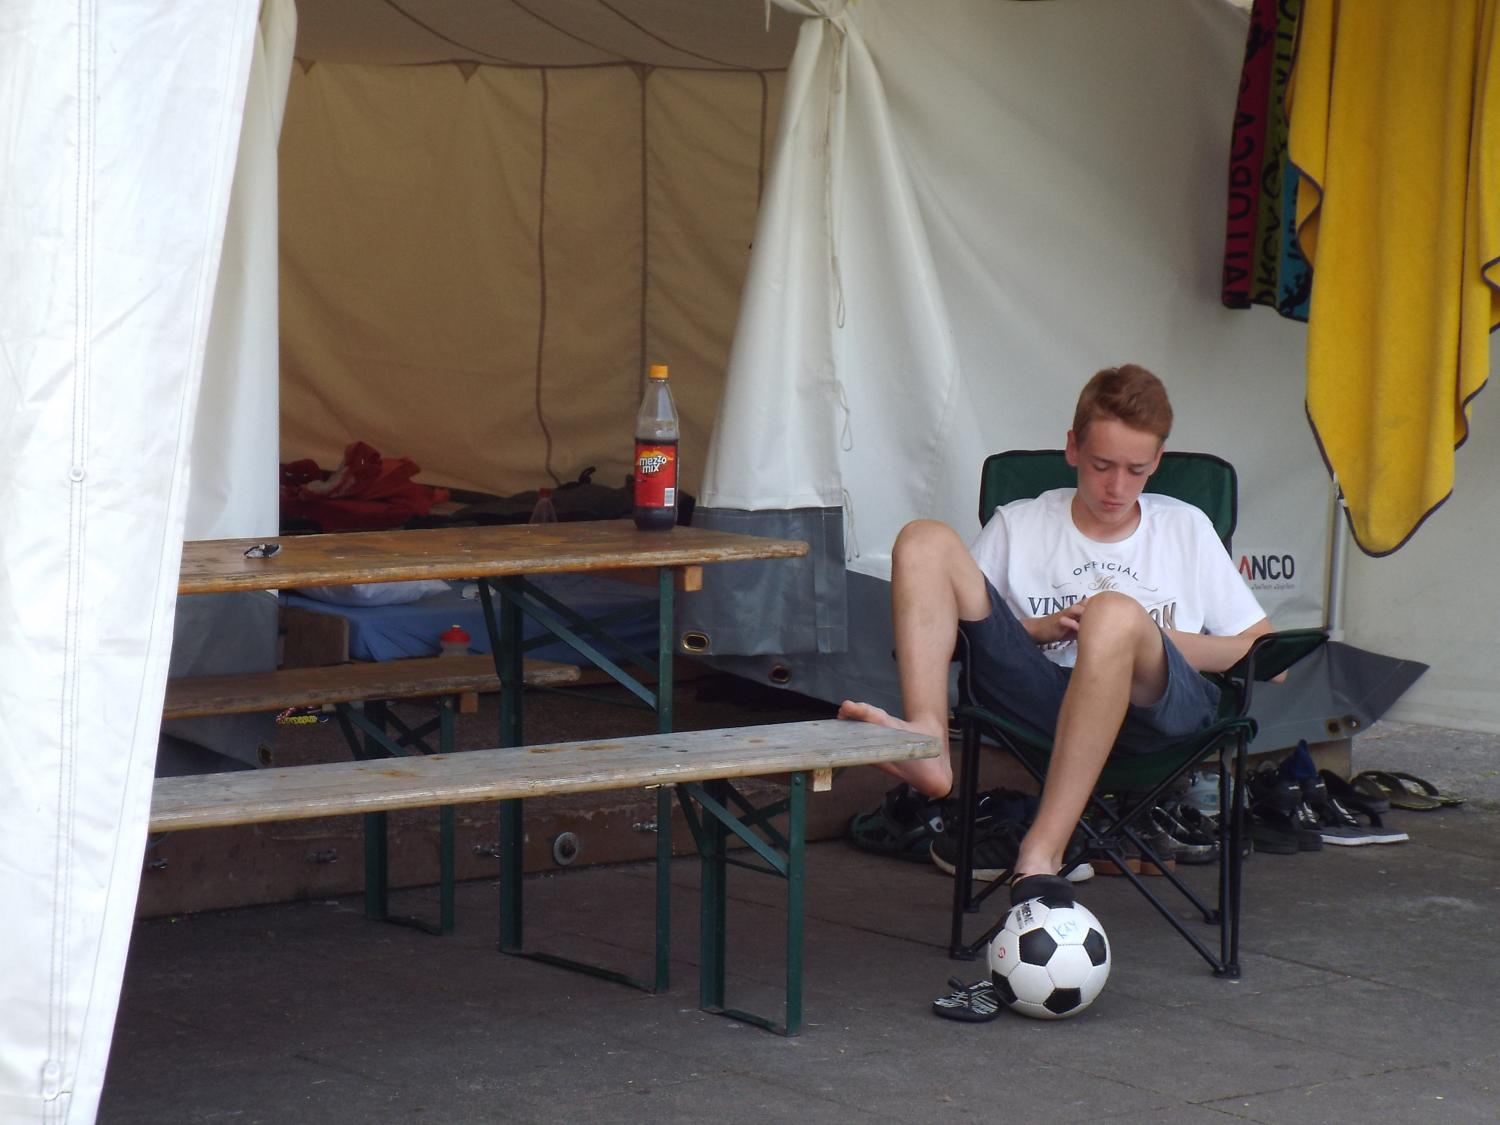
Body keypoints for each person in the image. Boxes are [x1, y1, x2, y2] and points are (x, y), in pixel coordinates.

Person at [838, 364, 1270, 904]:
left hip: (1154, 717)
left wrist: (1147, 638)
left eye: (1136, 470)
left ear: (1158, 460)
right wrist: (1035, 631)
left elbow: (1264, 653)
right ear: (1072, 448)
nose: (1117, 487)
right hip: (1040, 703)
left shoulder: (1184, 527)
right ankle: (928, 745)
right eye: (1101, 465)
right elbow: (938, 641)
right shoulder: (1019, 524)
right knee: (923, 538)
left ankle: (1041, 851)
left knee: (1113, 614)